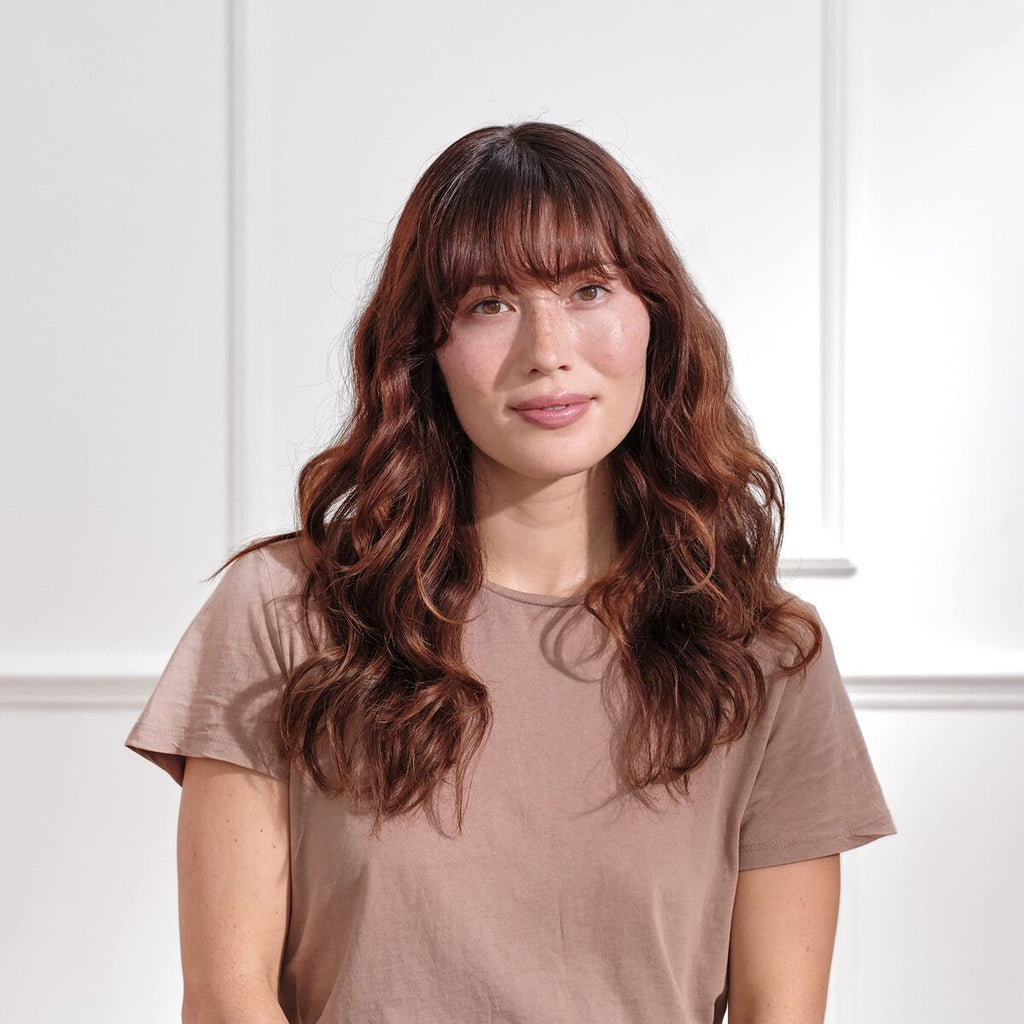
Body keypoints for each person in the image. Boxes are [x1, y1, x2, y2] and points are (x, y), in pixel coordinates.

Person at [125, 120, 897, 1024]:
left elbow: (781, 1011)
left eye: (588, 289)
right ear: (425, 349)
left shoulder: (764, 652)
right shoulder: (285, 612)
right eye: (489, 304)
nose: (548, 349)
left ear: (656, 316)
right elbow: (227, 999)